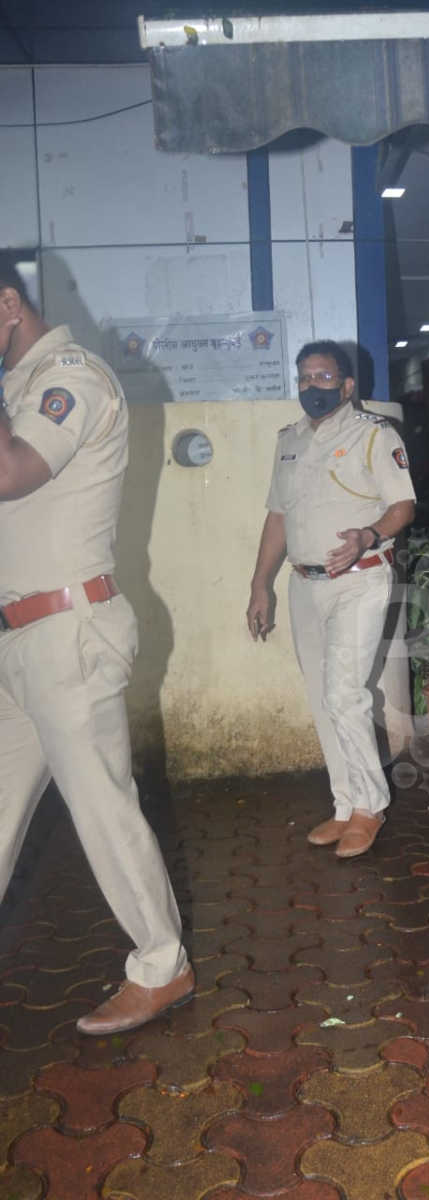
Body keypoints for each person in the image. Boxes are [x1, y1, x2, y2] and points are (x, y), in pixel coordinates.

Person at [0, 252, 193, 1035]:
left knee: (104, 810)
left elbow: (11, 473)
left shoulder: (71, 377)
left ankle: (163, 966)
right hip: (21, 640)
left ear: (7, 305)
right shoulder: (17, 387)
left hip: (69, 634)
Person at [246, 340, 415, 858]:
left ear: (346, 385)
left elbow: (403, 505)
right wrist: (259, 584)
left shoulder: (374, 434)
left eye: (323, 377)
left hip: (359, 580)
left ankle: (371, 807)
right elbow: (278, 517)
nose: (312, 387)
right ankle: (345, 805)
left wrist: (368, 535)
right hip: (304, 584)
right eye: (304, 378)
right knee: (324, 699)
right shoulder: (289, 440)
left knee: (345, 694)